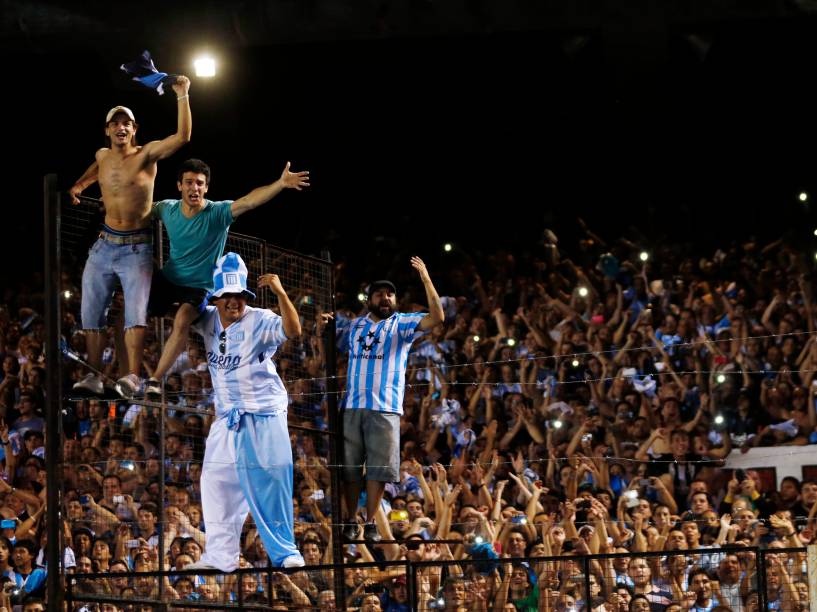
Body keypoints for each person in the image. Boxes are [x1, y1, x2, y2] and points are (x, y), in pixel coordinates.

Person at [143, 158, 309, 399]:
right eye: (189, 182)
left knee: (182, 320)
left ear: (206, 188)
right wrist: (114, 203)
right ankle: (129, 374)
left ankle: (155, 380)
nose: (195, 188)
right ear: (179, 186)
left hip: (198, 288)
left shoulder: (218, 213)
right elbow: (139, 208)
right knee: (131, 297)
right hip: (169, 279)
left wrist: (280, 184)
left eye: (200, 183)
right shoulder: (167, 208)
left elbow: (250, 201)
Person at [71, 76, 192, 398]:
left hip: (136, 247)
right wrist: (80, 186)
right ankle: (94, 376)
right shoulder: (102, 155)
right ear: (108, 131)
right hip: (104, 245)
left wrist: (182, 95)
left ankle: (133, 377)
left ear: (134, 129)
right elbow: (97, 168)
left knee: (135, 316)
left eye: (127, 124)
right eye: (116, 124)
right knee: (91, 314)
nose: (121, 128)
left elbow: (182, 137)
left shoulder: (146, 155)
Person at [185, 252, 304, 570]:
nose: (233, 302)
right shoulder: (206, 318)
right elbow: (180, 308)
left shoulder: (261, 318)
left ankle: (286, 552)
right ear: (216, 297)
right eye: (226, 296)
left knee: (273, 480)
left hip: (263, 412)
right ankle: (220, 557)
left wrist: (280, 293)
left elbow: (293, 331)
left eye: (238, 295)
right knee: (215, 482)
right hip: (227, 417)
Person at [335, 257, 444, 541]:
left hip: (385, 408)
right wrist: (326, 324)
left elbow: (438, 318)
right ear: (370, 299)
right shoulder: (355, 326)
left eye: (390, 294)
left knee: (379, 470)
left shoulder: (402, 324)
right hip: (352, 406)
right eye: (380, 294)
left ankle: (370, 521)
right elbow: (331, 336)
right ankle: (350, 519)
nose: (386, 298)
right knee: (349, 469)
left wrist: (426, 278)